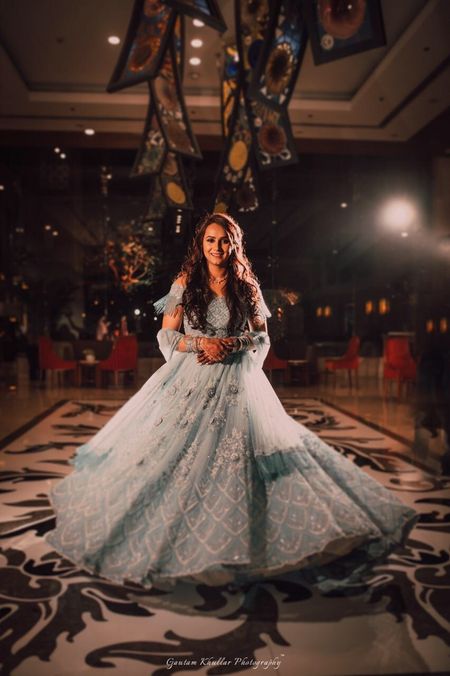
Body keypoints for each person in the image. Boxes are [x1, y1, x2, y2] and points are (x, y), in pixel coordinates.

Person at [46, 213, 419, 592]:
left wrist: (232, 344)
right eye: (210, 240)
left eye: (223, 241)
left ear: (235, 244)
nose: (216, 248)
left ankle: (244, 544)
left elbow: (262, 339)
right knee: (174, 456)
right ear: (200, 244)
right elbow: (165, 337)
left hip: (237, 380)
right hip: (190, 378)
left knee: (241, 458)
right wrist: (200, 344)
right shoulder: (183, 283)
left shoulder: (248, 287)